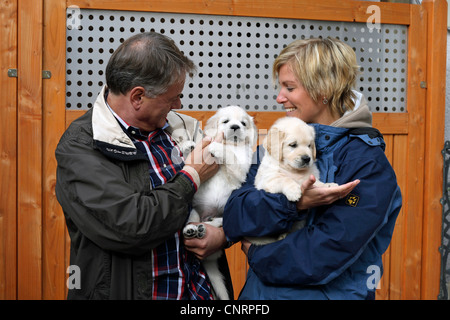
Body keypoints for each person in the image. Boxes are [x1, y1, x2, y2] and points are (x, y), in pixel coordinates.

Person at [223, 37, 402, 300]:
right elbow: (235, 214)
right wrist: (292, 204)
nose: (279, 97)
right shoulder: (277, 142)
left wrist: (256, 253)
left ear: (323, 90)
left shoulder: (367, 163)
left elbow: (326, 251)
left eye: (290, 87)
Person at [55, 32, 231, 300]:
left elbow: (227, 198)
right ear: (138, 97)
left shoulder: (182, 129)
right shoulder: (81, 146)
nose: (178, 105)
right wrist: (191, 176)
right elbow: (132, 225)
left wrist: (223, 235)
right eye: (173, 97)